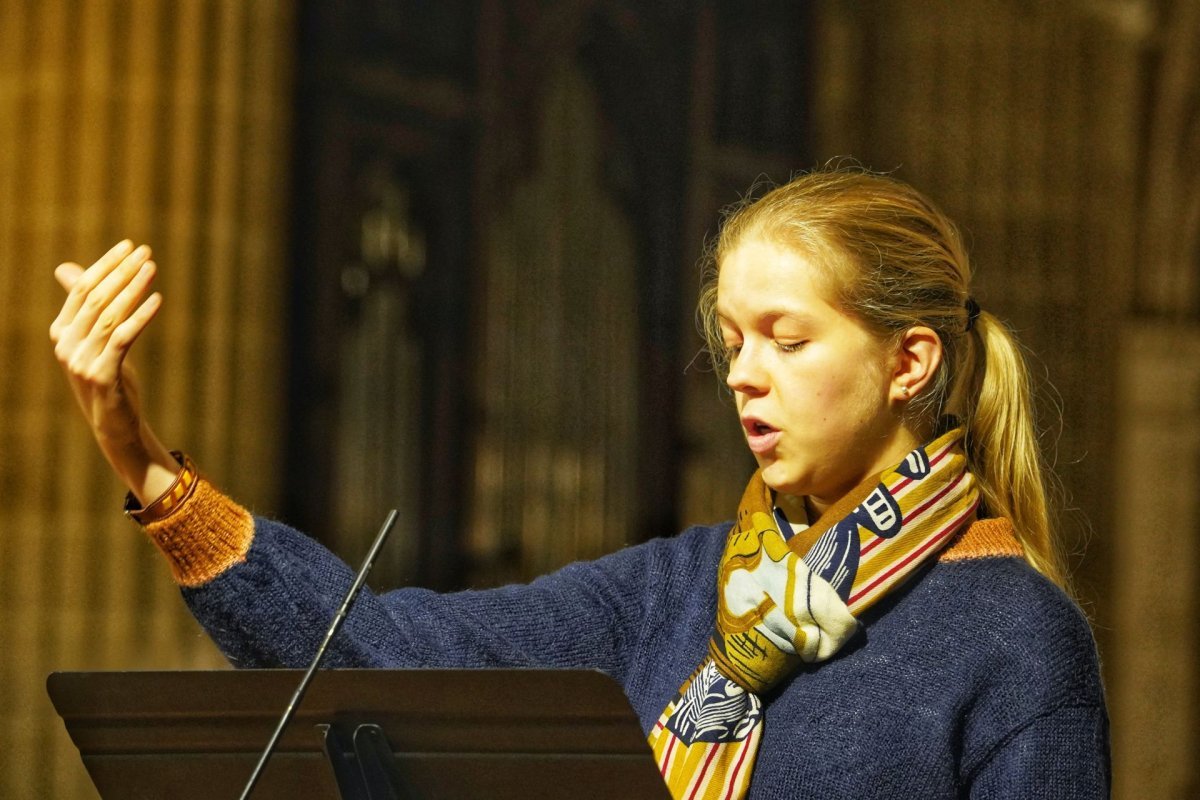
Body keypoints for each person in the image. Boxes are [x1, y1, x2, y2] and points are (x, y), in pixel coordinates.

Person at [50, 167, 1110, 799]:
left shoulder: (1016, 634)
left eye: (787, 338)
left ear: (909, 362)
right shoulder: (676, 587)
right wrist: (145, 463)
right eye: (733, 339)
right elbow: (383, 655)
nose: (743, 371)